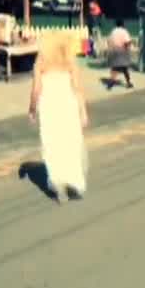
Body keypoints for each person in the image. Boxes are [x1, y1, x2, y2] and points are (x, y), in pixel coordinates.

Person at [29, 32, 89, 204]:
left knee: (52, 144)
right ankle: (73, 181)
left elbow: (36, 89)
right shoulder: (70, 62)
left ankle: (58, 184)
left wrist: (32, 109)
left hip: (49, 106)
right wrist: (83, 111)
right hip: (68, 105)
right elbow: (78, 89)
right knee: (70, 143)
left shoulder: (40, 62)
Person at [105, 19, 134, 90]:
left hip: (113, 51)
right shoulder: (124, 31)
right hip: (122, 50)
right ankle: (128, 83)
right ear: (123, 24)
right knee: (125, 68)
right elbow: (127, 42)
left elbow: (109, 40)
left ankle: (110, 84)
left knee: (114, 68)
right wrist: (129, 48)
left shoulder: (113, 31)